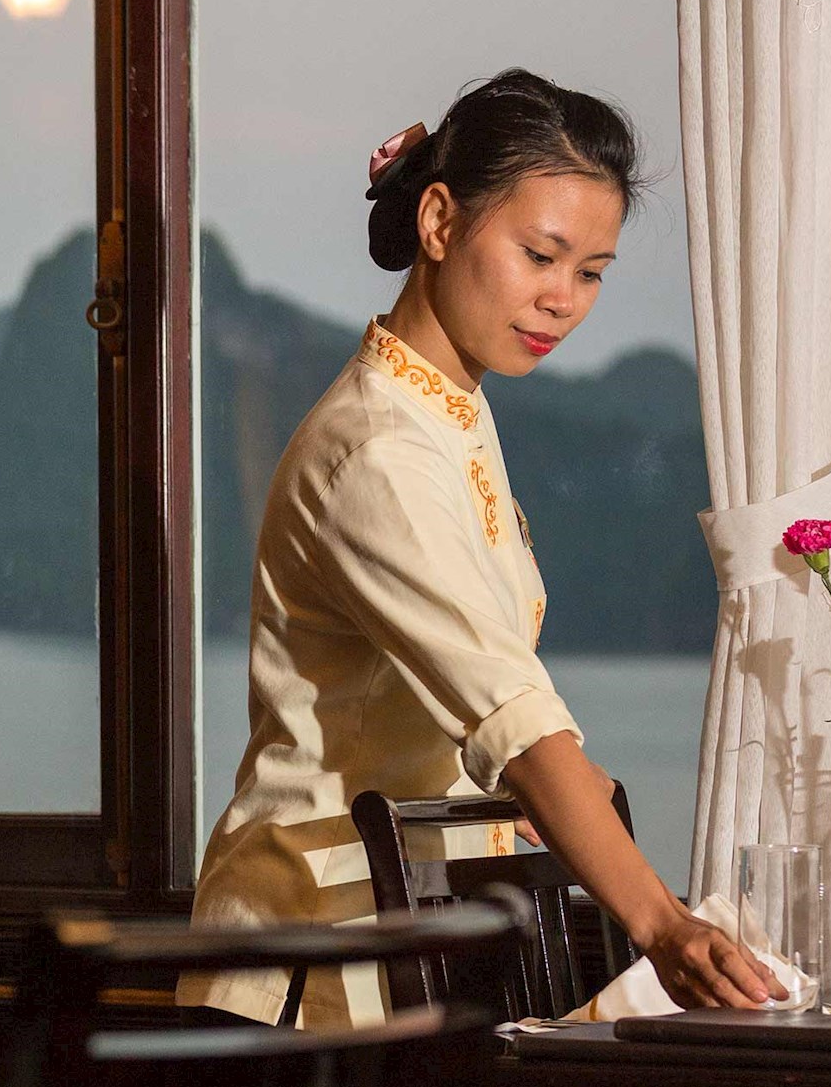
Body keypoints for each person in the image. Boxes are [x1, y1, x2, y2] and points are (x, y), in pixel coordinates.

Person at [182, 69, 780, 1028]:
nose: (562, 299)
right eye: (540, 255)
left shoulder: (450, 410)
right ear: (438, 221)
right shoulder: (378, 449)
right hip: (308, 965)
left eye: (590, 272)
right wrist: (663, 925)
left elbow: (492, 708)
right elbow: (509, 711)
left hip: (408, 954)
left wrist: (562, 789)